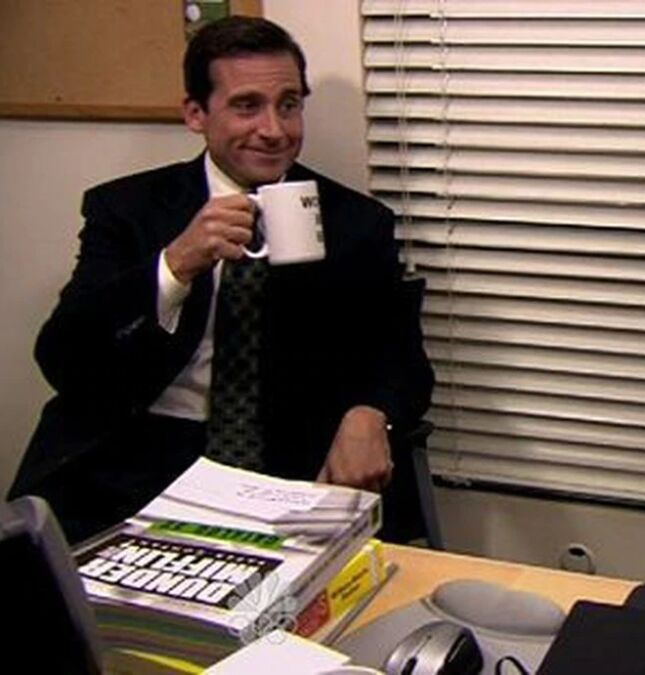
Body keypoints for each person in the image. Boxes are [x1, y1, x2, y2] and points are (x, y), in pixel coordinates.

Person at [8, 17, 432, 544]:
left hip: (287, 463)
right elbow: (64, 360)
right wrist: (175, 266)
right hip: (142, 457)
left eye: (289, 105)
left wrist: (371, 414)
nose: (275, 130)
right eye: (247, 106)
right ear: (196, 113)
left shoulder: (357, 223)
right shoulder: (128, 209)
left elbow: (403, 361)